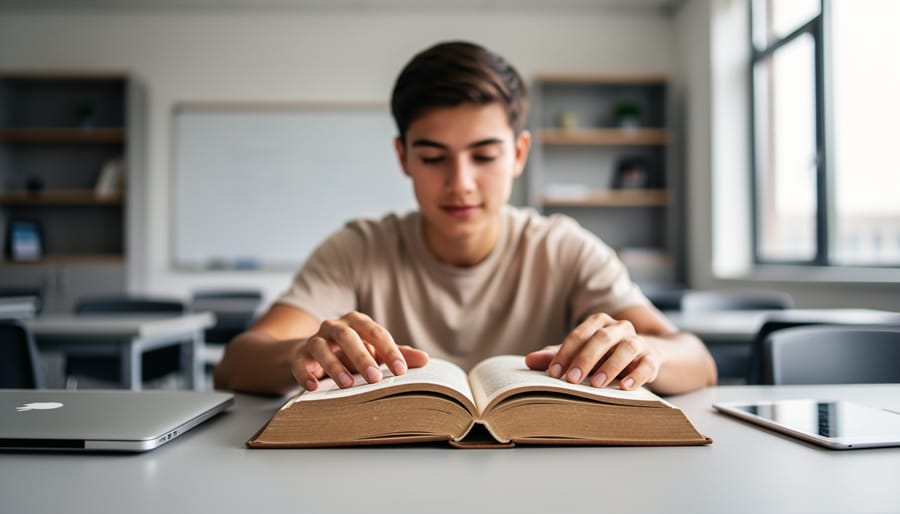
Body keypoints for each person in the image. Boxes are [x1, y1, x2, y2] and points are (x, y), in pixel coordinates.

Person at [214, 41, 717, 397]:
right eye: (433, 158)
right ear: (403, 156)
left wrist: (646, 351)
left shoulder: (562, 246)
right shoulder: (358, 248)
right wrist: (299, 353)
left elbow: (697, 361)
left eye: (484, 156)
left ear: (519, 153)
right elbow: (236, 362)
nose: (461, 184)